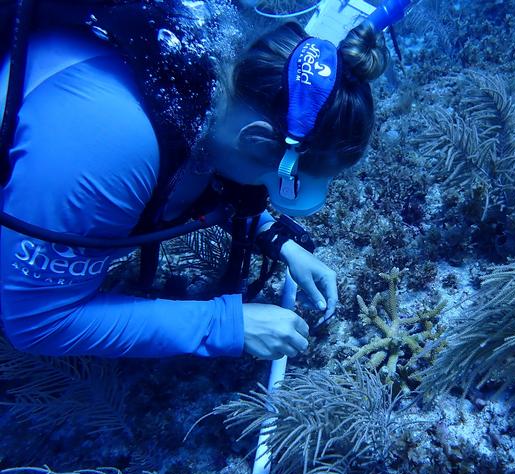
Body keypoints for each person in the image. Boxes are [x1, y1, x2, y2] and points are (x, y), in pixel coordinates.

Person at [0, 15, 390, 360]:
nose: (272, 189)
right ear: (256, 141)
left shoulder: (217, 89)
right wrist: (226, 324)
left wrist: (278, 241)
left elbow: (209, 176)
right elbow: (37, 320)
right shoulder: (110, 147)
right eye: (282, 181)